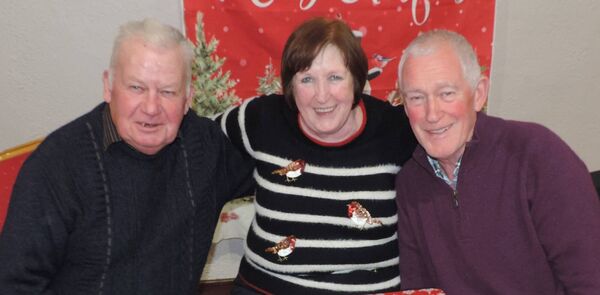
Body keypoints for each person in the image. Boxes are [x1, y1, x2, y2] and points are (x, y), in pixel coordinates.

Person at [0, 18, 253, 294]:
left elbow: (278, 164)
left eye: (168, 92)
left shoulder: (205, 147)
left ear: (187, 99)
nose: (151, 107)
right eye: (136, 87)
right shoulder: (57, 165)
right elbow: (13, 285)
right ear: (108, 86)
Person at [218, 17, 416, 294]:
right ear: (290, 86)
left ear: (357, 79)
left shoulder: (396, 130)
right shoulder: (262, 120)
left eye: (335, 77)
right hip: (268, 288)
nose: (321, 96)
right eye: (307, 79)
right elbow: (194, 140)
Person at [395, 29, 600, 294]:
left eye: (446, 93)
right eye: (416, 98)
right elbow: (420, 290)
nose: (432, 114)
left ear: (479, 94)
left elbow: (590, 281)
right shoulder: (410, 184)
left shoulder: (537, 155)